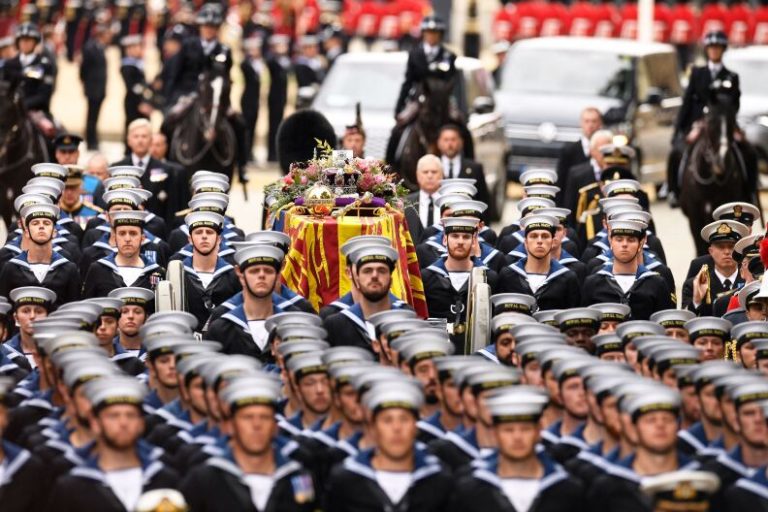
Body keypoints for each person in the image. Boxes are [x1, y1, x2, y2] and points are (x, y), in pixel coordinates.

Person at [180, 373, 319, 510]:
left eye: (264, 417)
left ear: (275, 427)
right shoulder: (204, 480)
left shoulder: (299, 478)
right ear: (230, 426)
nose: (256, 425)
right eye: (247, 417)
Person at [47, 376, 180, 510]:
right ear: (95, 423)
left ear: (141, 423)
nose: (123, 423)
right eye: (113, 416)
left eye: (130, 415)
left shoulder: (165, 478)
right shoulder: (72, 487)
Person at [448, 389, 585, 512]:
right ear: (495, 433)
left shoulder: (567, 490)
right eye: (508, 430)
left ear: (538, 432)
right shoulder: (470, 492)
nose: (517, 437)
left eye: (525, 429)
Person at [325, 380, 453, 510]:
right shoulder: (346, 480)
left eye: (404, 419)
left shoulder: (439, 480)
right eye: (387, 420)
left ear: (416, 427)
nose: (396, 428)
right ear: (373, 428)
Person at [669, 30, 741, 206]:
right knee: (676, 153)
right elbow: (687, 102)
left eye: (717, 48)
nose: (714, 51)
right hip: (698, 124)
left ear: (723, 50)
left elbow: (735, 104)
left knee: (747, 151)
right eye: (711, 48)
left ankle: (750, 188)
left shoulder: (731, 76)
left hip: (722, 123)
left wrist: (733, 127)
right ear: (707, 50)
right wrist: (679, 129)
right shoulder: (697, 73)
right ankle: (673, 189)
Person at [422, 217, 499, 353]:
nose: (460, 242)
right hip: (437, 352)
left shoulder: (489, 278)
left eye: (466, 237)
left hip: (476, 354)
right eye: (455, 236)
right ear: (445, 239)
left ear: (474, 240)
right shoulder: (427, 277)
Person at [582, 219, 676, 319]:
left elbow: (664, 326)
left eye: (631, 240)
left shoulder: (656, 284)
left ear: (640, 244)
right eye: (619, 239)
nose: (624, 244)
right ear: (610, 241)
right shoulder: (593, 283)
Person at [324, 243, 409, 353]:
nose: (374, 275)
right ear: (357, 280)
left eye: (382, 270)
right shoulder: (335, 325)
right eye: (367, 271)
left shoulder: (405, 320)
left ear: (391, 280)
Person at [0, 203, 80, 308]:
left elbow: (73, 310)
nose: (41, 226)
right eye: (35, 223)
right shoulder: (11, 268)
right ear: (27, 231)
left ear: (54, 232)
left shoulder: (69, 269)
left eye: (47, 223)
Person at [497, 214, 580, 311]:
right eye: (534, 236)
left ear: (553, 242)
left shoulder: (568, 278)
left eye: (545, 236)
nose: (539, 241)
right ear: (526, 243)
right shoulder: (508, 275)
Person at [83, 210, 165, 298]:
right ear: (115, 238)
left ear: (143, 238)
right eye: (122, 233)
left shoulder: (156, 272)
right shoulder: (97, 269)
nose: (127, 239)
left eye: (133, 233)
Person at [181, 211, 240, 331]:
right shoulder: (178, 273)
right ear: (190, 239)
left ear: (219, 239)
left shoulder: (232, 275)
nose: (204, 236)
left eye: (209, 232)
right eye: (198, 232)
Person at [394, 15, 457, 117]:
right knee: (399, 128)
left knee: (459, 124)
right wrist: (399, 107)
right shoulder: (414, 55)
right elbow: (408, 82)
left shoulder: (449, 56)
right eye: (428, 32)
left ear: (440, 34)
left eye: (435, 33)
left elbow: (452, 82)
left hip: (442, 100)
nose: (431, 36)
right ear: (423, 33)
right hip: (418, 99)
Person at [683, 220, 749, 316]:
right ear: (711, 251)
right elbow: (685, 320)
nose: (726, 252)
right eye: (721, 247)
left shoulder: (748, 281)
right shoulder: (694, 285)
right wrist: (696, 301)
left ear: (739, 251)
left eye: (731, 246)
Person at [111, 119, 171, 221]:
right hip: (125, 226)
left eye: (144, 136)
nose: (140, 140)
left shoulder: (166, 170)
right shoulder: (117, 168)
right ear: (128, 140)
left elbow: (170, 207)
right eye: (136, 136)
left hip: (156, 227)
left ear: (151, 140)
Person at [5, 22, 55, 135]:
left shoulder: (45, 65)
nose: (25, 43)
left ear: (35, 42)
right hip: (10, 111)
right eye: (22, 40)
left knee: (53, 135)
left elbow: (44, 94)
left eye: (29, 40)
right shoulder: (9, 65)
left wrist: (22, 105)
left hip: (35, 112)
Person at [437, 124, 490, 218]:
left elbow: (483, 200)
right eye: (446, 140)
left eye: (453, 139)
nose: (449, 144)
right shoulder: (431, 168)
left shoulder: (474, 168)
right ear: (438, 143)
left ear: (461, 142)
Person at [556, 107, 602, 206]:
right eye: (587, 121)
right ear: (581, 123)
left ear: (600, 124)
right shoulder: (568, 151)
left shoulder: (605, 151)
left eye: (594, 121)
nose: (590, 125)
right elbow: (561, 184)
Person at [79, 23, 110, 150]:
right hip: (92, 89)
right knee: (91, 116)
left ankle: (94, 140)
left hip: (100, 89)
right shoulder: (89, 47)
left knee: (96, 116)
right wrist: (87, 85)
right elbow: (83, 69)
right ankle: (90, 141)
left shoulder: (101, 47)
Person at [405, 154, 443, 244]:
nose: (430, 176)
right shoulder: (404, 203)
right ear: (417, 175)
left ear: (441, 175)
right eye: (425, 172)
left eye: (434, 172)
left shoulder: (449, 203)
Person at [120, 35, 152, 139]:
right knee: (134, 128)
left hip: (140, 100)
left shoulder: (138, 64)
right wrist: (141, 102)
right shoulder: (128, 66)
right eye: (138, 47)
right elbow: (133, 87)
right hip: (134, 101)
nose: (140, 50)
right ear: (129, 49)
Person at [266, 34, 291, 162]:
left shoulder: (285, 60)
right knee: (274, 125)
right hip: (274, 98)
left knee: (280, 125)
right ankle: (271, 154)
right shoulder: (272, 60)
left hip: (282, 97)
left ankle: (276, 152)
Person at [240, 36, 263, 163]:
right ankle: (245, 153)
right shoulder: (245, 64)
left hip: (255, 100)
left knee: (253, 126)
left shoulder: (257, 63)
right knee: (247, 127)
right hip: (247, 100)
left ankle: (250, 152)